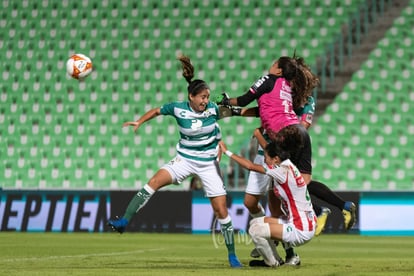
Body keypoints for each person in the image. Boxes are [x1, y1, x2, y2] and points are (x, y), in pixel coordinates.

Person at [216, 55, 356, 264]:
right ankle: (334, 207)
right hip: (278, 144)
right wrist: (235, 112)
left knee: (279, 201)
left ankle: (289, 247)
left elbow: (252, 102)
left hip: (278, 147)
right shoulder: (287, 90)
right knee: (256, 200)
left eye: (275, 64)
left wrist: (256, 134)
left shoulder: (293, 93)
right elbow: (261, 110)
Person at [107, 55, 242, 268]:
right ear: (191, 96)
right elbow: (157, 111)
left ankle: (232, 255)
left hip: (208, 163)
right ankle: (124, 221)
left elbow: (239, 112)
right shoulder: (178, 108)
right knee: (153, 182)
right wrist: (140, 121)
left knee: (221, 211)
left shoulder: (214, 109)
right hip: (184, 159)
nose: (205, 101)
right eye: (202, 97)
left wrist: (262, 113)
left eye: (207, 97)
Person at [219, 130, 316, 268]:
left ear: (276, 159)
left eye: (266, 157)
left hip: (300, 230)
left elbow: (250, 166)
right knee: (255, 223)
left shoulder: (281, 171)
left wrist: (227, 152)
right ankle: (276, 257)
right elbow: (269, 149)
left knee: (255, 231)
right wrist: (260, 137)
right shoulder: (286, 164)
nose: (264, 159)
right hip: (303, 222)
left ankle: (272, 263)